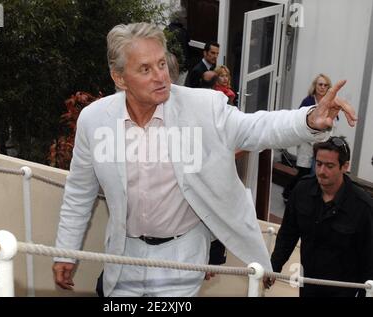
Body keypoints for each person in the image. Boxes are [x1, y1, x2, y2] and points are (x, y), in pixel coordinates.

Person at [52, 22, 356, 297]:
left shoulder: (203, 108)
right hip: (123, 255)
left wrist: (309, 120)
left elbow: (256, 128)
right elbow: (79, 192)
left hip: (181, 258)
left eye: (162, 64)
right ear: (119, 78)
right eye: (145, 69)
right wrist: (65, 252)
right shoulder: (94, 121)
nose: (161, 76)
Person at [265, 137, 373, 297]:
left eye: (329, 166)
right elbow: (288, 234)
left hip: (344, 291)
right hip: (308, 286)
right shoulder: (302, 191)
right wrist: (274, 267)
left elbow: (369, 260)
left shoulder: (362, 207)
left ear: (345, 166)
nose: (321, 171)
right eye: (319, 163)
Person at [282, 74, 333, 202]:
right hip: (306, 143)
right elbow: (301, 123)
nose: (322, 87)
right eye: (320, 84)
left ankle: (306, 198)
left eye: (325, 85)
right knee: (303, 173)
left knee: (315, 173)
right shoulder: (308, 101)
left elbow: (332, 124)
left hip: (321, 144)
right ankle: (288, 193)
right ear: (315, 86)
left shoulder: (330, 103)